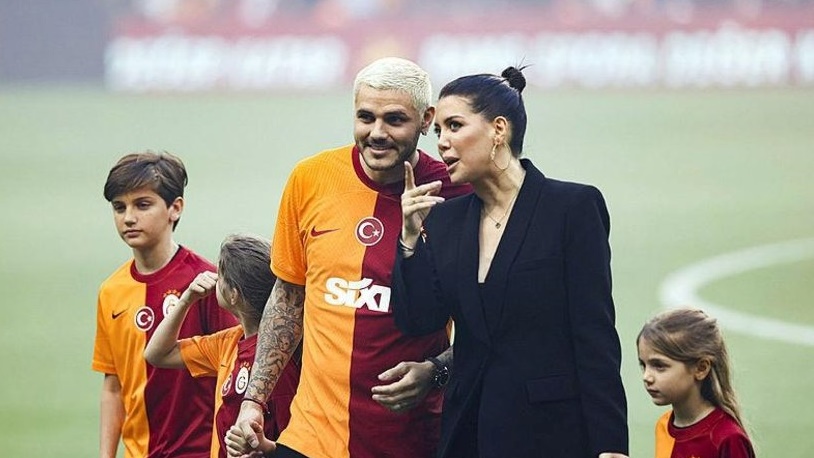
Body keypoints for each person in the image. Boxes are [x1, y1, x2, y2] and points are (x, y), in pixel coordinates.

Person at [227, 57, 471, 458]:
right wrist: (254, 401)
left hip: (413, 440)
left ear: (427, 120)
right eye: (365, 117)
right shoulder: (310, 178)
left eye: (395, 120)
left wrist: (435, 372)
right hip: (310, 438)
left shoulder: (458, 196)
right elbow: (288, 297)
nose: (377, 133)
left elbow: (490, 324)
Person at [393, 66, 629, 458]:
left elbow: (594, 336)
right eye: (438, 132)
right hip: (467, 434)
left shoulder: (572, 208)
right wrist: (409, 240)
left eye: (455, 126)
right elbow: (419, 320)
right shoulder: (447, 219)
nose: (443, 142)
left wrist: (610, 445)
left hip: (550, 436)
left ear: (498, 130)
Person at [92, 151, 238, 458]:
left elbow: (237, 367)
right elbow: (113, 386)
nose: (128, 218)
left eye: (142, 205)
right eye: (119, 207)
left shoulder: (208, 283)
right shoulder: (111, 291)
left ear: (175, 208)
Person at [144, 234, 302, 458]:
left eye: (220, 276)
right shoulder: (228, 342)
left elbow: (293, 439)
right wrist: (186, 300)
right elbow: (158, 354)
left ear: (233, 295)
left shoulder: (279, 360)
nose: (213, 279)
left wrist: (264, 449)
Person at [637, 307, 756, 458]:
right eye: (643, 365)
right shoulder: (663, 426)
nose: (647, 377)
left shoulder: (727, 438)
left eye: (659, 366)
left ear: (701, 368)